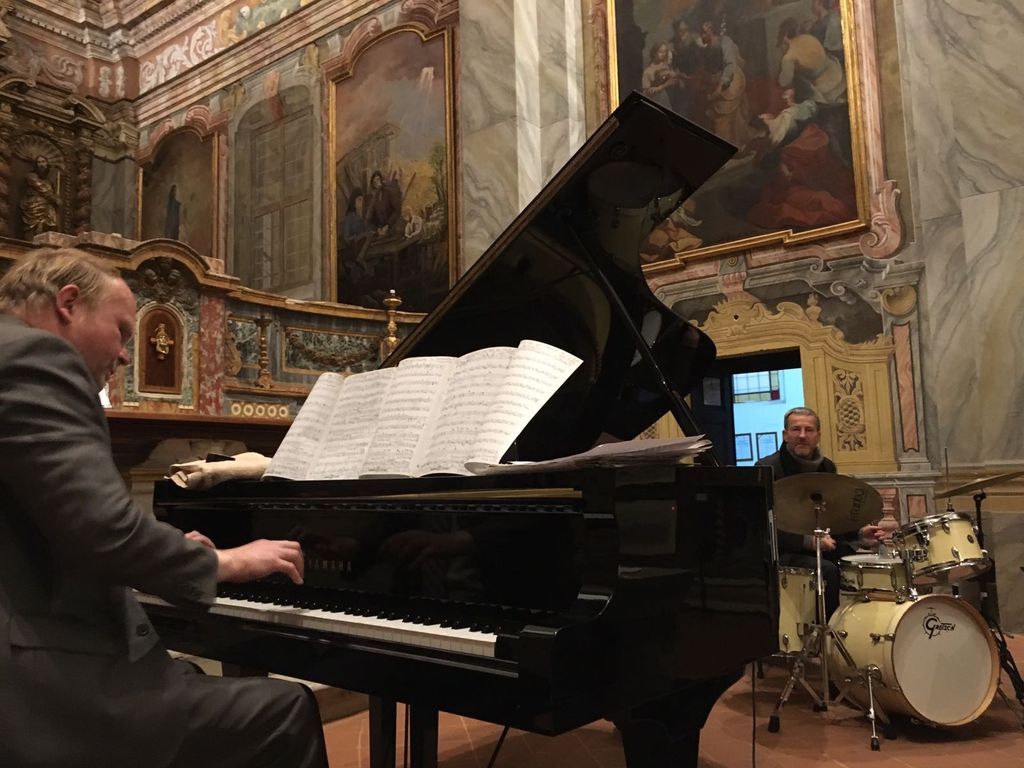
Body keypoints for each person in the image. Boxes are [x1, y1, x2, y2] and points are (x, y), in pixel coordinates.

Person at [0, 248, 329, 768]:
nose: (125, 355)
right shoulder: (36, 357)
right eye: (121, 331)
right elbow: (106, 530)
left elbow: (57, 525)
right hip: (35, 692)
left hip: (29, 650)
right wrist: (227, 561)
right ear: (68, 303)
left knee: (189, 676)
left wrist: (164, 550)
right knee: (285, 708)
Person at [756, 406, 884, 619]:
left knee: (864, 564)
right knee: (828, 570)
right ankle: (825, 629)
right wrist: (806, 541)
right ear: (785, 435)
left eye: (809, 430)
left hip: (820, 546)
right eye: (796, 429)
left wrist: (859, 535)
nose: (802, 435)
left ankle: (862, 625)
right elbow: (760, 524)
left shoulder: (827, 467)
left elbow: (833, 516)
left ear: (818, 436)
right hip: (782, 551)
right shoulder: (767, 468)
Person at [21, 155, 61, 239]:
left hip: (48, 208)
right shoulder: (30, 176)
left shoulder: (49, 182)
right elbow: (41, 187)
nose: (41, 164)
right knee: (34, 227)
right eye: (39, 162)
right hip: (35, 205)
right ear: (36, 165)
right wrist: (54, 198)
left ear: (47, 164)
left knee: (49, 226)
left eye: (43, 162)